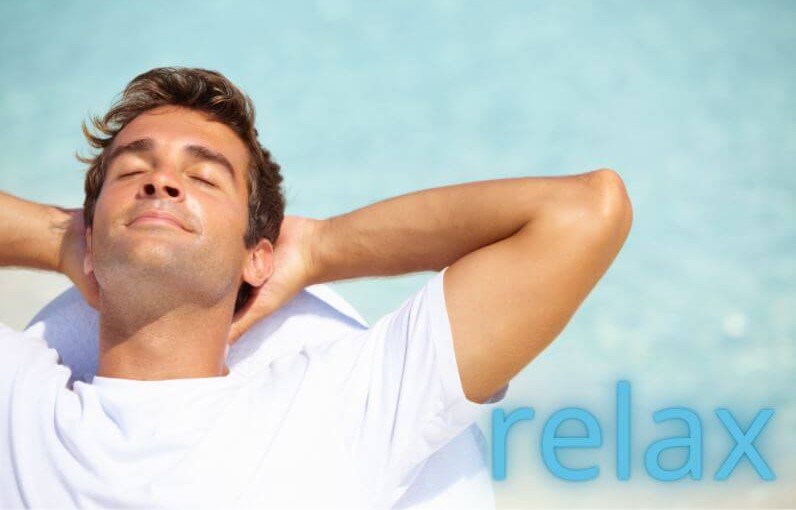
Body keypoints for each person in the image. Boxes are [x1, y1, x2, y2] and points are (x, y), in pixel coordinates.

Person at [0, 67, 633, 508]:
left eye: (204, 178)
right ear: (91, 242)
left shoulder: (336, 409)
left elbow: (585, 212)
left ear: (257, 258)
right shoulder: (21, 404)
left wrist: (322, 247)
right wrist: (64, 240)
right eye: (134, 170)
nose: (161, 183)